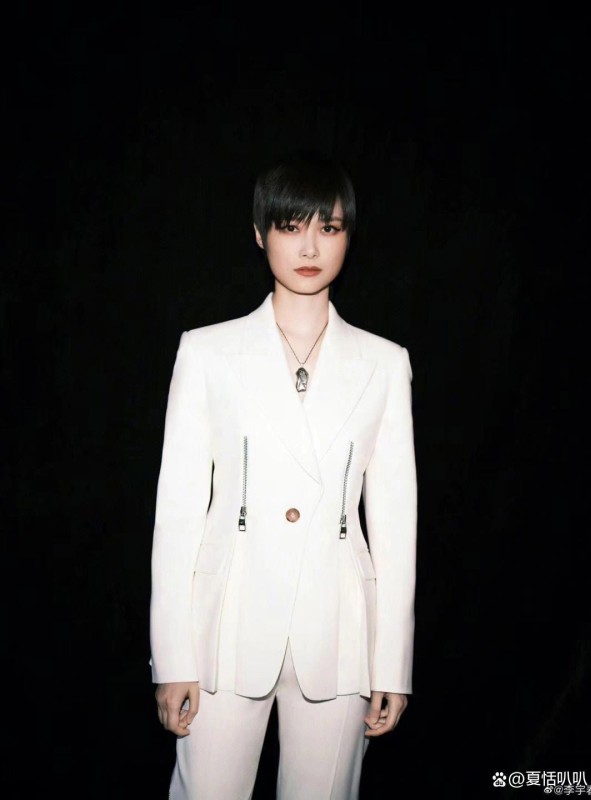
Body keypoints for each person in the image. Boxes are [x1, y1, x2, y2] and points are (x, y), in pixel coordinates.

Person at [149, 149, 418, 799]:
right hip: (227, 629)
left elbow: (395, 521)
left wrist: (393, 663)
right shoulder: (207, 353)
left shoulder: (384, 363)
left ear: (349, 237)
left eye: (329, 227)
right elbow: (178, 515)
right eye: (291, 226)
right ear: (259, 233)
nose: (310, 246)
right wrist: (173, 655)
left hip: (340, 635)